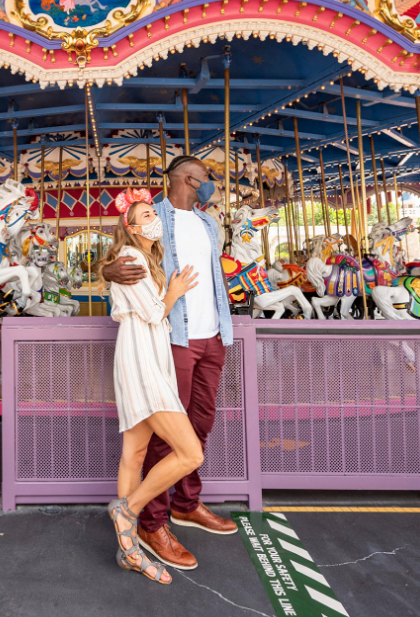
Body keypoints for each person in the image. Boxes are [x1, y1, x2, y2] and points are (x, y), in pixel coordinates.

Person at [100, 155, 236, 572]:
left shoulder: (210, 222)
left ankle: (187, 504)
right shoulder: (154, 214)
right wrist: (107, 269)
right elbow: (122, 251)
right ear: (188, 178)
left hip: (213, 336)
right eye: (206, 178)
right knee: (166, 436)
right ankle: (152, 522)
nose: (211, 184)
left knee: (202, 423)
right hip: (174, 338)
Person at [101, 190, 202, 585]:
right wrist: (174, 293)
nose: (153, 218)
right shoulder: (131, 259)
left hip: (141, 355)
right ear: (132, 226)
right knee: (190, 453)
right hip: (142, 360)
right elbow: (153, 312)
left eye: (153, 212)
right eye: (146, 214)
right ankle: (128, 510)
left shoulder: (146, 260)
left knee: (135, 452)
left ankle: (128, 549)